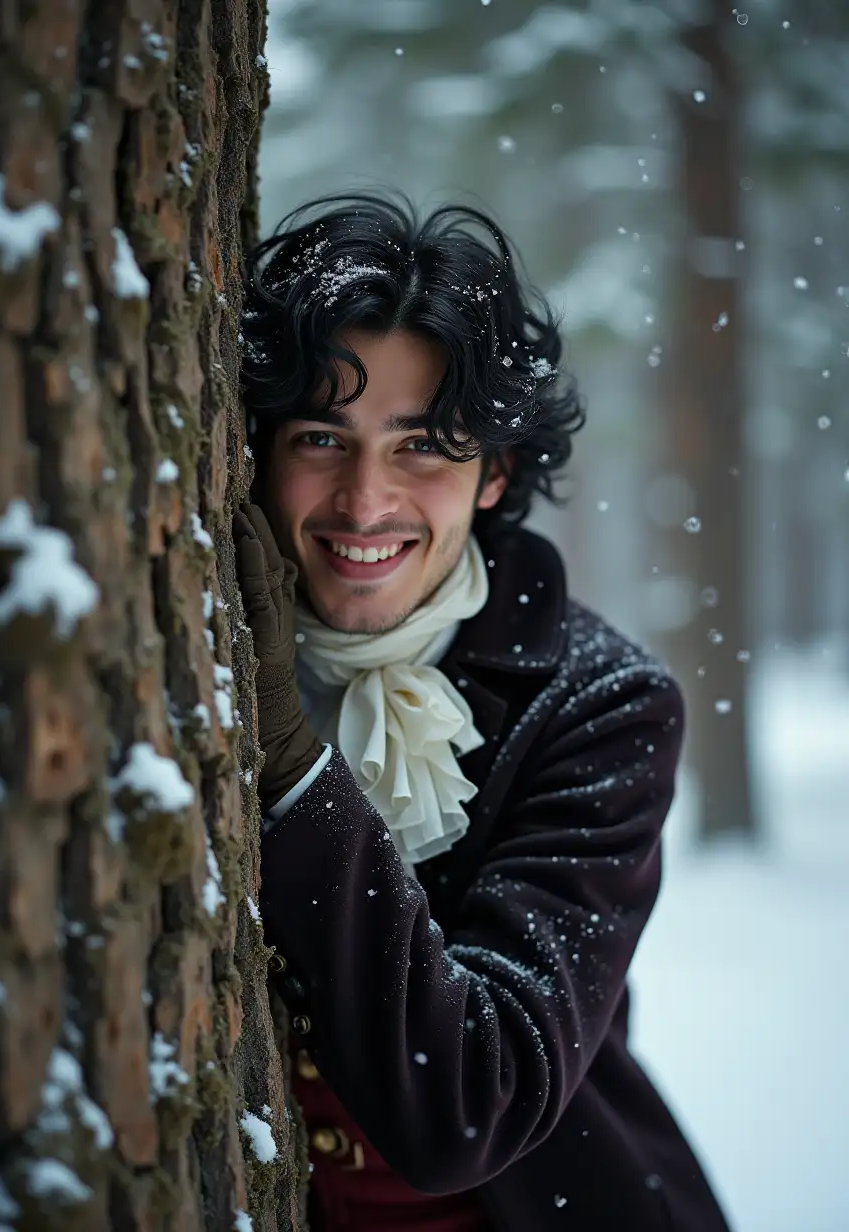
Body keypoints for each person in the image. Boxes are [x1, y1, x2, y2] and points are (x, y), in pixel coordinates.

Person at [232, 193, 731, 1232]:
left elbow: (470, 1100)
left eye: (421, 447)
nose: (365, 501)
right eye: (323, 436)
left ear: (494, 472)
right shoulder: (200, 650)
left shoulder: (600, 703)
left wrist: (297, 769)